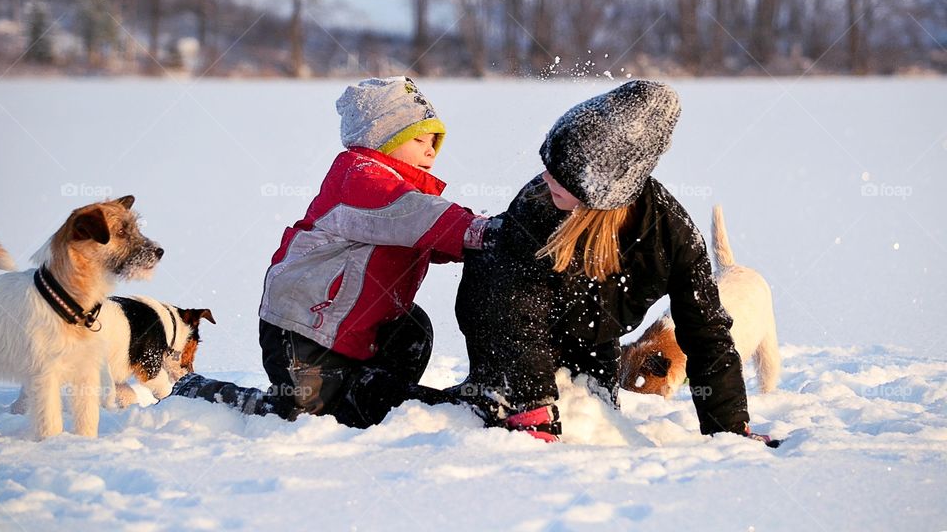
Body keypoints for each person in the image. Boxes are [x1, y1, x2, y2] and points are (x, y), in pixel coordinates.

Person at [452, 80, 778, 446]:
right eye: (548, 164)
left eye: (560, 173)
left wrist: (730, 427)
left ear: (604, 187)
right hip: (507, 340)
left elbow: (707, 334)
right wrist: (534, 409)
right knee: (497, 414)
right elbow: (516, 315)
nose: (545, 177)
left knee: (593, 419)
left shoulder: (672, 236)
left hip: (593, 339)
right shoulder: (536, 206)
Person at [174, 77, 493, 427]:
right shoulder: (361, 179)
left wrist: (481, 240)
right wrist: (482, 231)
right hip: (304, 330)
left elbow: (429, 231)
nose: (431, 151)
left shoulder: (405, 196)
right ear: (381, 138)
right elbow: (418, 217)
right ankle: (201, 393)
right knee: (303, 417)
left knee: (411, 328)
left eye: (435, 142)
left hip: (358, 332)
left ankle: (372, 394)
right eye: (418, 139)